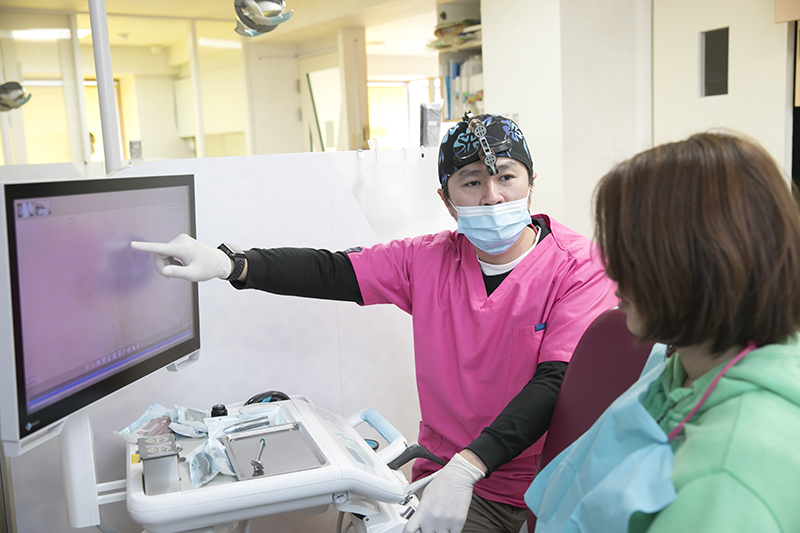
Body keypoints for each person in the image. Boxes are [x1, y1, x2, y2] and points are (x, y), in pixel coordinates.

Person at [131, 112, 617, 533]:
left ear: (531, 182)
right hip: (448, 479)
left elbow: (556, 381)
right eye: (471, 182)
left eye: (506, 177)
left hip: (550, 480)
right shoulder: (426, 261)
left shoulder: (579, 266)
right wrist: (230, 264)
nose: (492, 197)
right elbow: (332, 270)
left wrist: (470, 465)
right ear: (447, 200)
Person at [526, 132, 800, 533]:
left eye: (630, 252)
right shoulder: (685, 365)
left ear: (696, 264)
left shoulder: (729, 476)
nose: (612, 270)